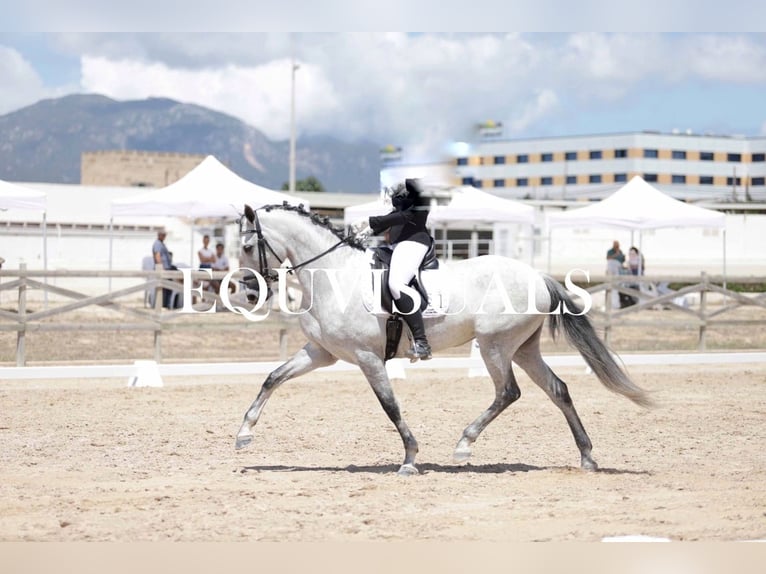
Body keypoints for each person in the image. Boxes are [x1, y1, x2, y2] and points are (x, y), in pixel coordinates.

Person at [366, 178, 433, 361]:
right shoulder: (400, 202)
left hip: (414, 243)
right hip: (396, 245)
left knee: (396, 284)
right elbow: (391, 220)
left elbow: (403, 216)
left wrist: (374, 222)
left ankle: (421, 342)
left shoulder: (420, 198)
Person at [152, 228, 179, 308]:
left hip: (168, 268)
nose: (164, 236)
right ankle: (164, 305)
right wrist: (162, 269)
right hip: (164, 269)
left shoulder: (161, 243)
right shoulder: (157, 244)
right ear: (159, 235)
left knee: (168, 288)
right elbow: (157, 256)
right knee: (165, 288)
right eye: (163, 235)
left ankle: (168, 304)